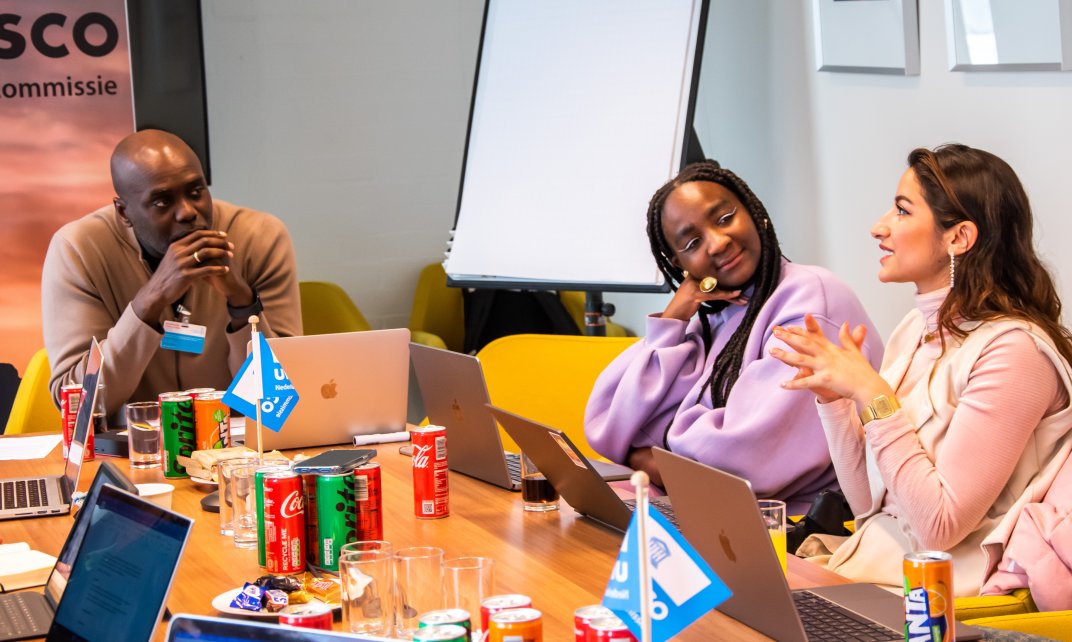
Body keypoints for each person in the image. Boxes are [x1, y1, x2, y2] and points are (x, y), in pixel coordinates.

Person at [770, 144, 1072, 596]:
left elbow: (938, 527)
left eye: (902, 211)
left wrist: (872, 393)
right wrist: (836, 401)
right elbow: (868, 506)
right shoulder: (916, 329)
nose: (879, 226)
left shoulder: (1014, 353)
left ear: (958, 238)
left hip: (939, 600)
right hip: (875, 573)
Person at [584, 161, 882, 515]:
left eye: (724, 218)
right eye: (692, 243)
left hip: (794, 529)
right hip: (716, 513)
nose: (718, 242)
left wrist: (646, 457)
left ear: (754, 211)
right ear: (680, 264)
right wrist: (673, 320)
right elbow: (609, 421)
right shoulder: (721, 311)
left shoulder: (810, 301)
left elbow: (743, 464)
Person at [42, 129, 302, 417]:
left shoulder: (259, 237)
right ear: (124, 212)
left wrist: (242, 303)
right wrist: (148, 302)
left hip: (238, 449)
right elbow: (79, 404)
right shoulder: (79, 250)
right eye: (162, 201)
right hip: (135, 450)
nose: (188, 212)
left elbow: (278, 402)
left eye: (196, 192)